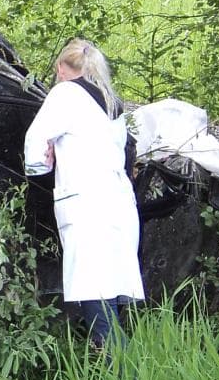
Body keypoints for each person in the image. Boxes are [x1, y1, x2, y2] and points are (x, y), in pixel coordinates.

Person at [23, 37, 144, 350]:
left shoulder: (65, 93)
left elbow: (35, 144)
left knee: (93, 290)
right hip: (119, 205)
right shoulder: (112, 102)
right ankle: (124, 373)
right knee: (111, 287)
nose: (57, 77)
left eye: (58, 70)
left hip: (88, 206)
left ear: (65, 68)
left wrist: (42, 166)